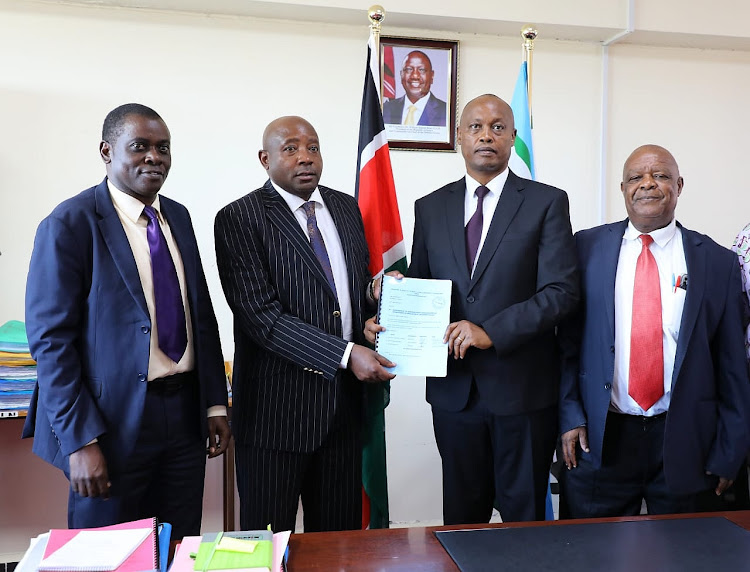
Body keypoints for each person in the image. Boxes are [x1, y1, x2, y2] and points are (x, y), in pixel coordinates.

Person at [22, 103, 230, 540]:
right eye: (140, 147)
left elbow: (200, 316)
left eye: (163, 148)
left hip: (183, 415)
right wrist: (80, 441)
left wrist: (213, 402)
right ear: (106, 151)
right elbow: (50, 342)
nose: (154, 157)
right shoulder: (71, 223)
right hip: (110, 424)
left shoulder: (179, 216)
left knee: (176, 545)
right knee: (109, 551)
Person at [369, 94, 579, 524]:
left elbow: (561, 291)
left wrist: (490, 331)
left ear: (513, 138)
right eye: (476, 127)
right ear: (460, 139)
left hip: (522, 392)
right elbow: (425, 286)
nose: (487, 135)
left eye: (498, 127)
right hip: (454, 393)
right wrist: (392, 303)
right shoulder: (432, 206)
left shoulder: (546, 202)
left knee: (523, 522)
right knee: (463, 520)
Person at [214, 116, 395, 533]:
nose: (305, 158)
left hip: (343, 413)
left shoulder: (346, 207)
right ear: (265, 159)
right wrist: (347, 354)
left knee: (338, 545)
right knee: (268, 541)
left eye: (312, 147)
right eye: (291, 148)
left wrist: (377, 291)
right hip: (275, 416)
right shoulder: (239, 218)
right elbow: (263, 319)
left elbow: (345, 290)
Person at [559, 144, 750, 518]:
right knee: (591, 554)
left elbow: (732, 366)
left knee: (686, 554)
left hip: (686, 440)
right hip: (600, 438)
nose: (648, 184)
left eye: (660, 175)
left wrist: (731, 451)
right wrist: (570, 416)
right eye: (636, 177)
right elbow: (565, 344)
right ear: (623, 188)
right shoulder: (584, 248)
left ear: (679, 186)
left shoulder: (717, 262)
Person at [382, 50, 447, 127]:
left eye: (422, 70)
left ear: (432, 76)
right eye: (409, 69)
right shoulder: (385, 110)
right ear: (401, 74)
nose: (415, 76)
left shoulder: (446, 112)